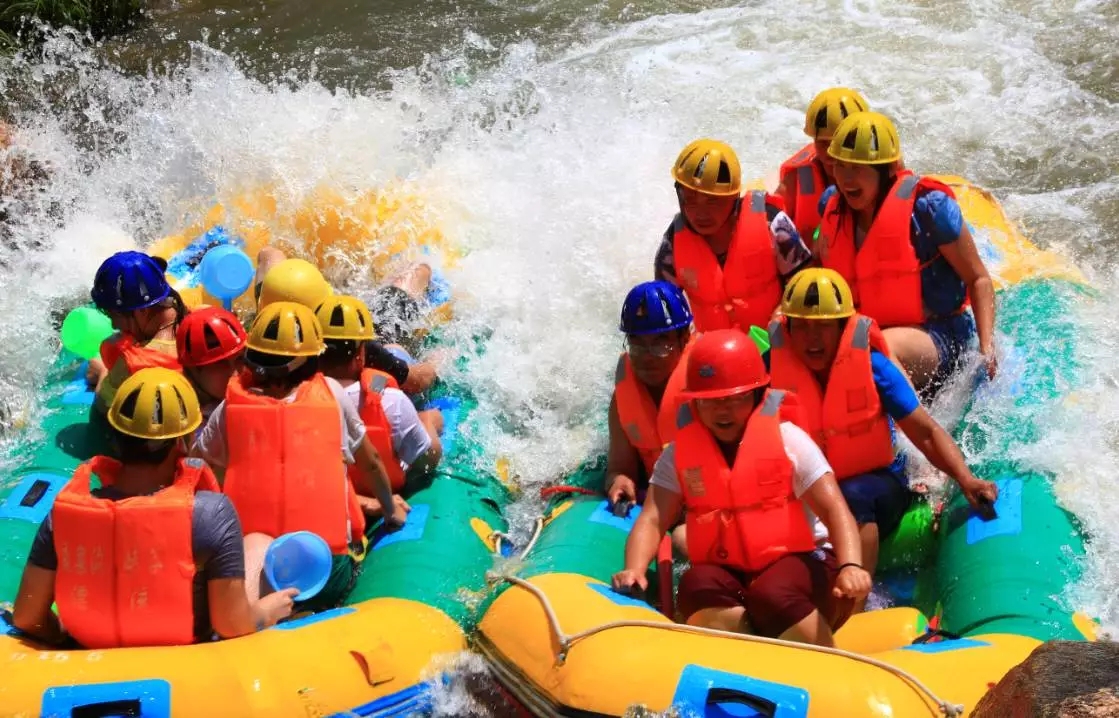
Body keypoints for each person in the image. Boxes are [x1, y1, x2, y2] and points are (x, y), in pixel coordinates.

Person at [612, 329, 871, 647]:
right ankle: (755, 660)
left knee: (771, 592)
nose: (722, 410)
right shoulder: (679, 454)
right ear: (694, 405)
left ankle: (823, 660)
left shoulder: (788, 439)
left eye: (734, 399)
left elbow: (835, 511)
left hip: (808, 566)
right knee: (695, 584)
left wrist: (850, 567)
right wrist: (634, 569)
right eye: (710, 402)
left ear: (757, 395)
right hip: (733, 572)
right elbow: (653, 518)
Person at [11, 369, 297, 647]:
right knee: (259, 542)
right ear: (183, 442)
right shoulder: (212, 514)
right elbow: (231, 626)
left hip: (89, 647)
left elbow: (27, 617)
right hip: (189, 653)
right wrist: (264, 612)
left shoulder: (65, 515)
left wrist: (62, 634)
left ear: (114, 437)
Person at [768, 269, 999, 604]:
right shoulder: (769, 368)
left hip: (875, 484)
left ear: (843, 326)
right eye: (802, 326)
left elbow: (925, 431)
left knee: (854, 494)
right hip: (807, 491)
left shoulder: (873, 368)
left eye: (822, 326)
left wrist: (965, 479)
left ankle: (854, 603)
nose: (811, 339)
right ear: (787, 328)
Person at [191, 301, 407, 610]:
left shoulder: (229, 409)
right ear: (310, 361)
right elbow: (370, 462)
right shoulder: (332, 393)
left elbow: (200, 468)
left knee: (247, 554)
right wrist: (389, 510)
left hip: (256, 567)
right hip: (325, 573)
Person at [816, 111, 997, 392]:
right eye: (840, 166)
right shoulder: (832, 207)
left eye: (858, 168)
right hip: (866, 334)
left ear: (886, 171)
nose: (847, 178)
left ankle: (910, 433)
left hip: (940, 334)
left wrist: (987, 346)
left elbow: (978, 279)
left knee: (878, 348)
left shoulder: (929, 210)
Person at [654, 139, 812, 334]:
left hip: (774, 344)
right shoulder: (672, 245)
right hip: (713, 356)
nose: (700, 213)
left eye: (712, 201)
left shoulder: (773, 224)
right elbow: (662, 314)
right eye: (690, 199)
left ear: (733, 198)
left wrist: (780, 319)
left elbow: (807, 284)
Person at [255, 248, 438, 395]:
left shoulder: (261, 340)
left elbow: (268, 253)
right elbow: (417, 381)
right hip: (359, 327)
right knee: (418, 271)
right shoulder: (354, 346)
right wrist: (435, 362)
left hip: (330, 315)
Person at [314, 294, 444, 492]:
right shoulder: (391, 401)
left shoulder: (295, 396)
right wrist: (428, 421)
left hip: (331, 494)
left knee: (395, 350)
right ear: (360, 355)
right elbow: (428, 460)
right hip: (380, 490)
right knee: (430, 415)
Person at [606, 280, 693, 507]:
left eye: (660, 344)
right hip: (656, 501)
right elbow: (620, 468)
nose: (647, 356)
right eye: (638, 345)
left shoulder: (705, 389)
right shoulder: (622, 399)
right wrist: (620, 480)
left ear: (685, 339)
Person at [87, 251, 188, 413]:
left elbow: (103, 407)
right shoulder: (190, 316)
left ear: (142, 311)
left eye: (114, 315)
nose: (113, 325)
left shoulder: (132, 365)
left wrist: (102, 371)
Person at [777, 88, 871, 238]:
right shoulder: (796, 178)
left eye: (837, 143)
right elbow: (771, 218)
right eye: (822, 143)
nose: (829, 152)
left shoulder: (880, 172)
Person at [175, 306, 248, 424]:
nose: (234, 373)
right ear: (193, 372)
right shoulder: (182, 425)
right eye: (220, 363)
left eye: (239, 359)